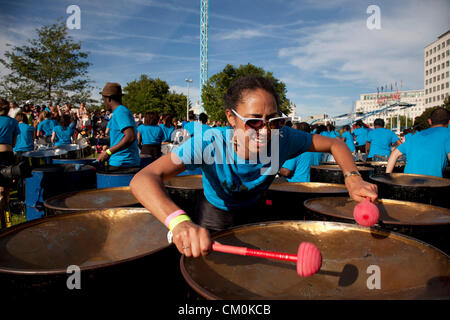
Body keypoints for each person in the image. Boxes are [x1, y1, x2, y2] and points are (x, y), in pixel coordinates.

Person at [130, 75, 378, 258]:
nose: (265, 131)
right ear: (231, 117)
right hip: (215, 213)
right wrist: (179, 222)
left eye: (274, 121)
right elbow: (144, 178)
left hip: (255, 208)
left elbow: (335, 144)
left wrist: (352, 177)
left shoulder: (284, 138)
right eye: (253, 122)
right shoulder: (209, 143)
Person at [386, 108, 450, 178]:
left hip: (407, 183)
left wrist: (387, 177)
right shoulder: (447, 134)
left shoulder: (415, 136)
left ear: (429, 121)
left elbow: (394, 154)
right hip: (432, 184)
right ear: (449, 122)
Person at [96, 82, 140, 171]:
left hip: (123, 164)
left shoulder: (120, 111)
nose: (104, 103)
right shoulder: (118, 112)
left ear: (108, 99)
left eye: (103, 100)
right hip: (121, 163)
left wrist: (108, 152)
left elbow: (130, 137)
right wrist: (97, 141)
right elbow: (118, 139)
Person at [0, 98, 20, 228]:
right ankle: (5, 225)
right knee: (5, 192)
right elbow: (13, 143)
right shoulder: (12, 122)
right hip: (6, 155)